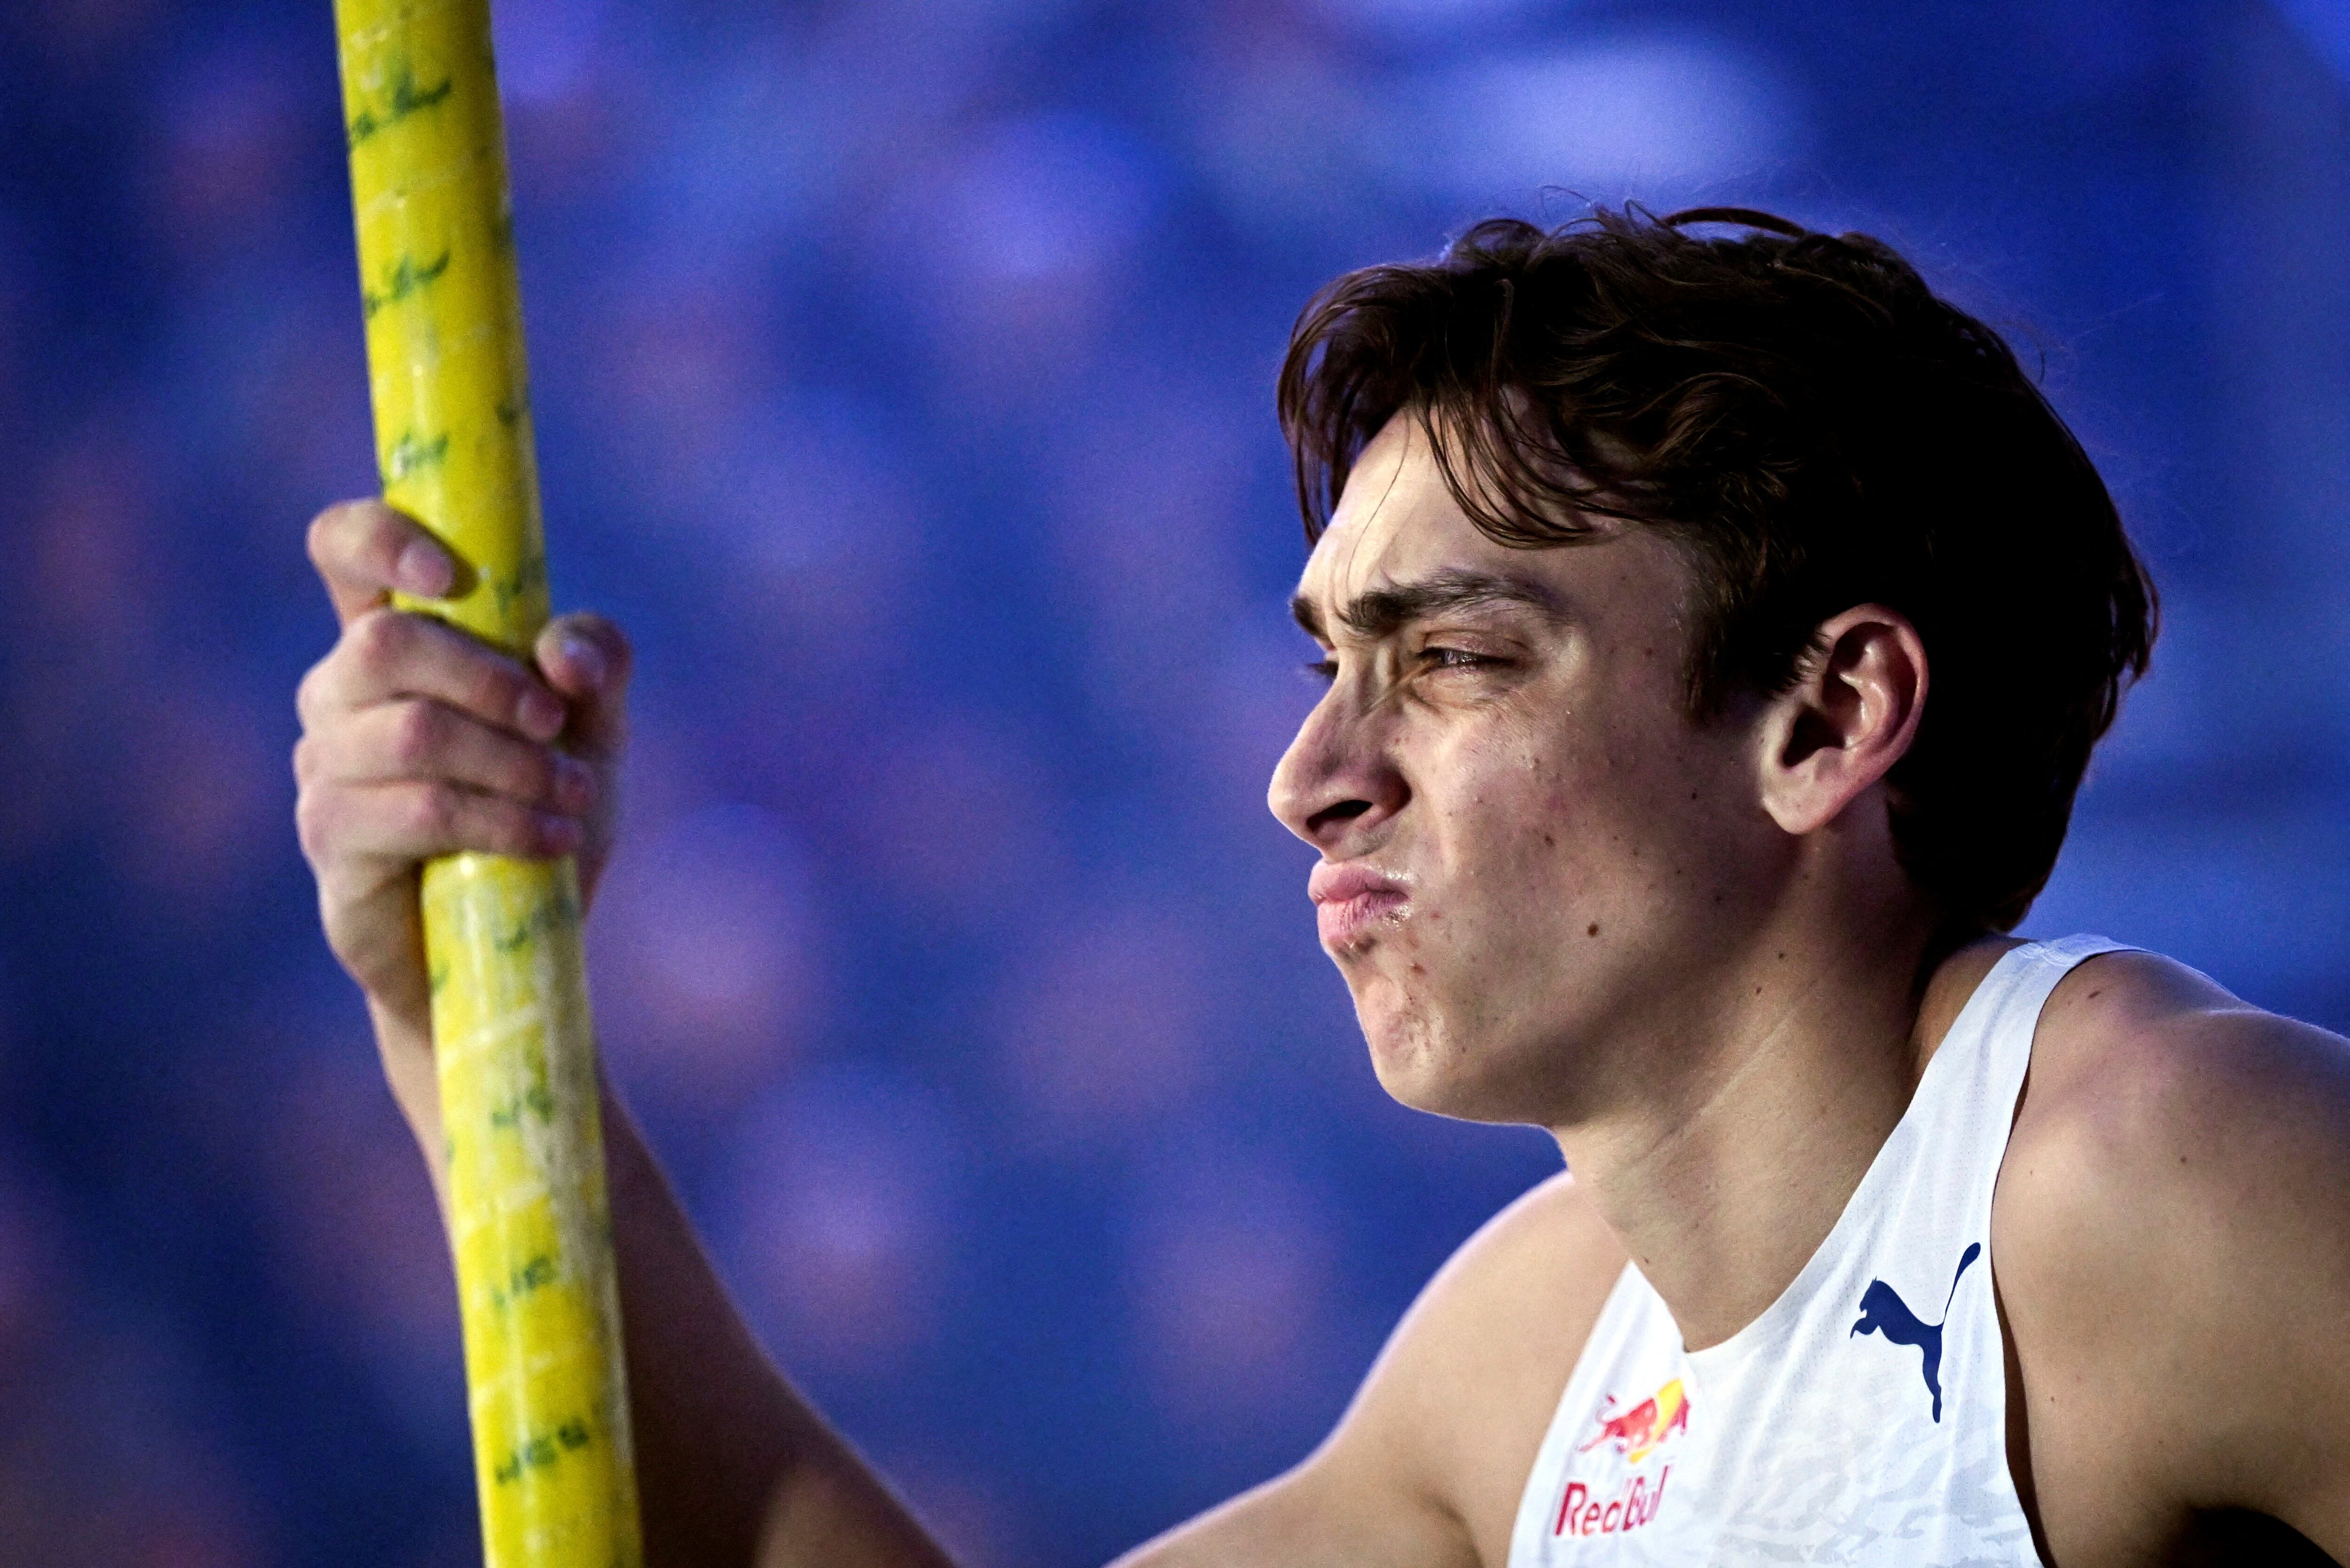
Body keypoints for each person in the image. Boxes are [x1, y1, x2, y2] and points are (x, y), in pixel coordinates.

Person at [291, 207, 2350, 1566]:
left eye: (1449, 659)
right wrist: (463, 1012)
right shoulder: (1529, 1358)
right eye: (1323, 663)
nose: (1306, 781)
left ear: (1823, 721)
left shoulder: (2154, 1176)